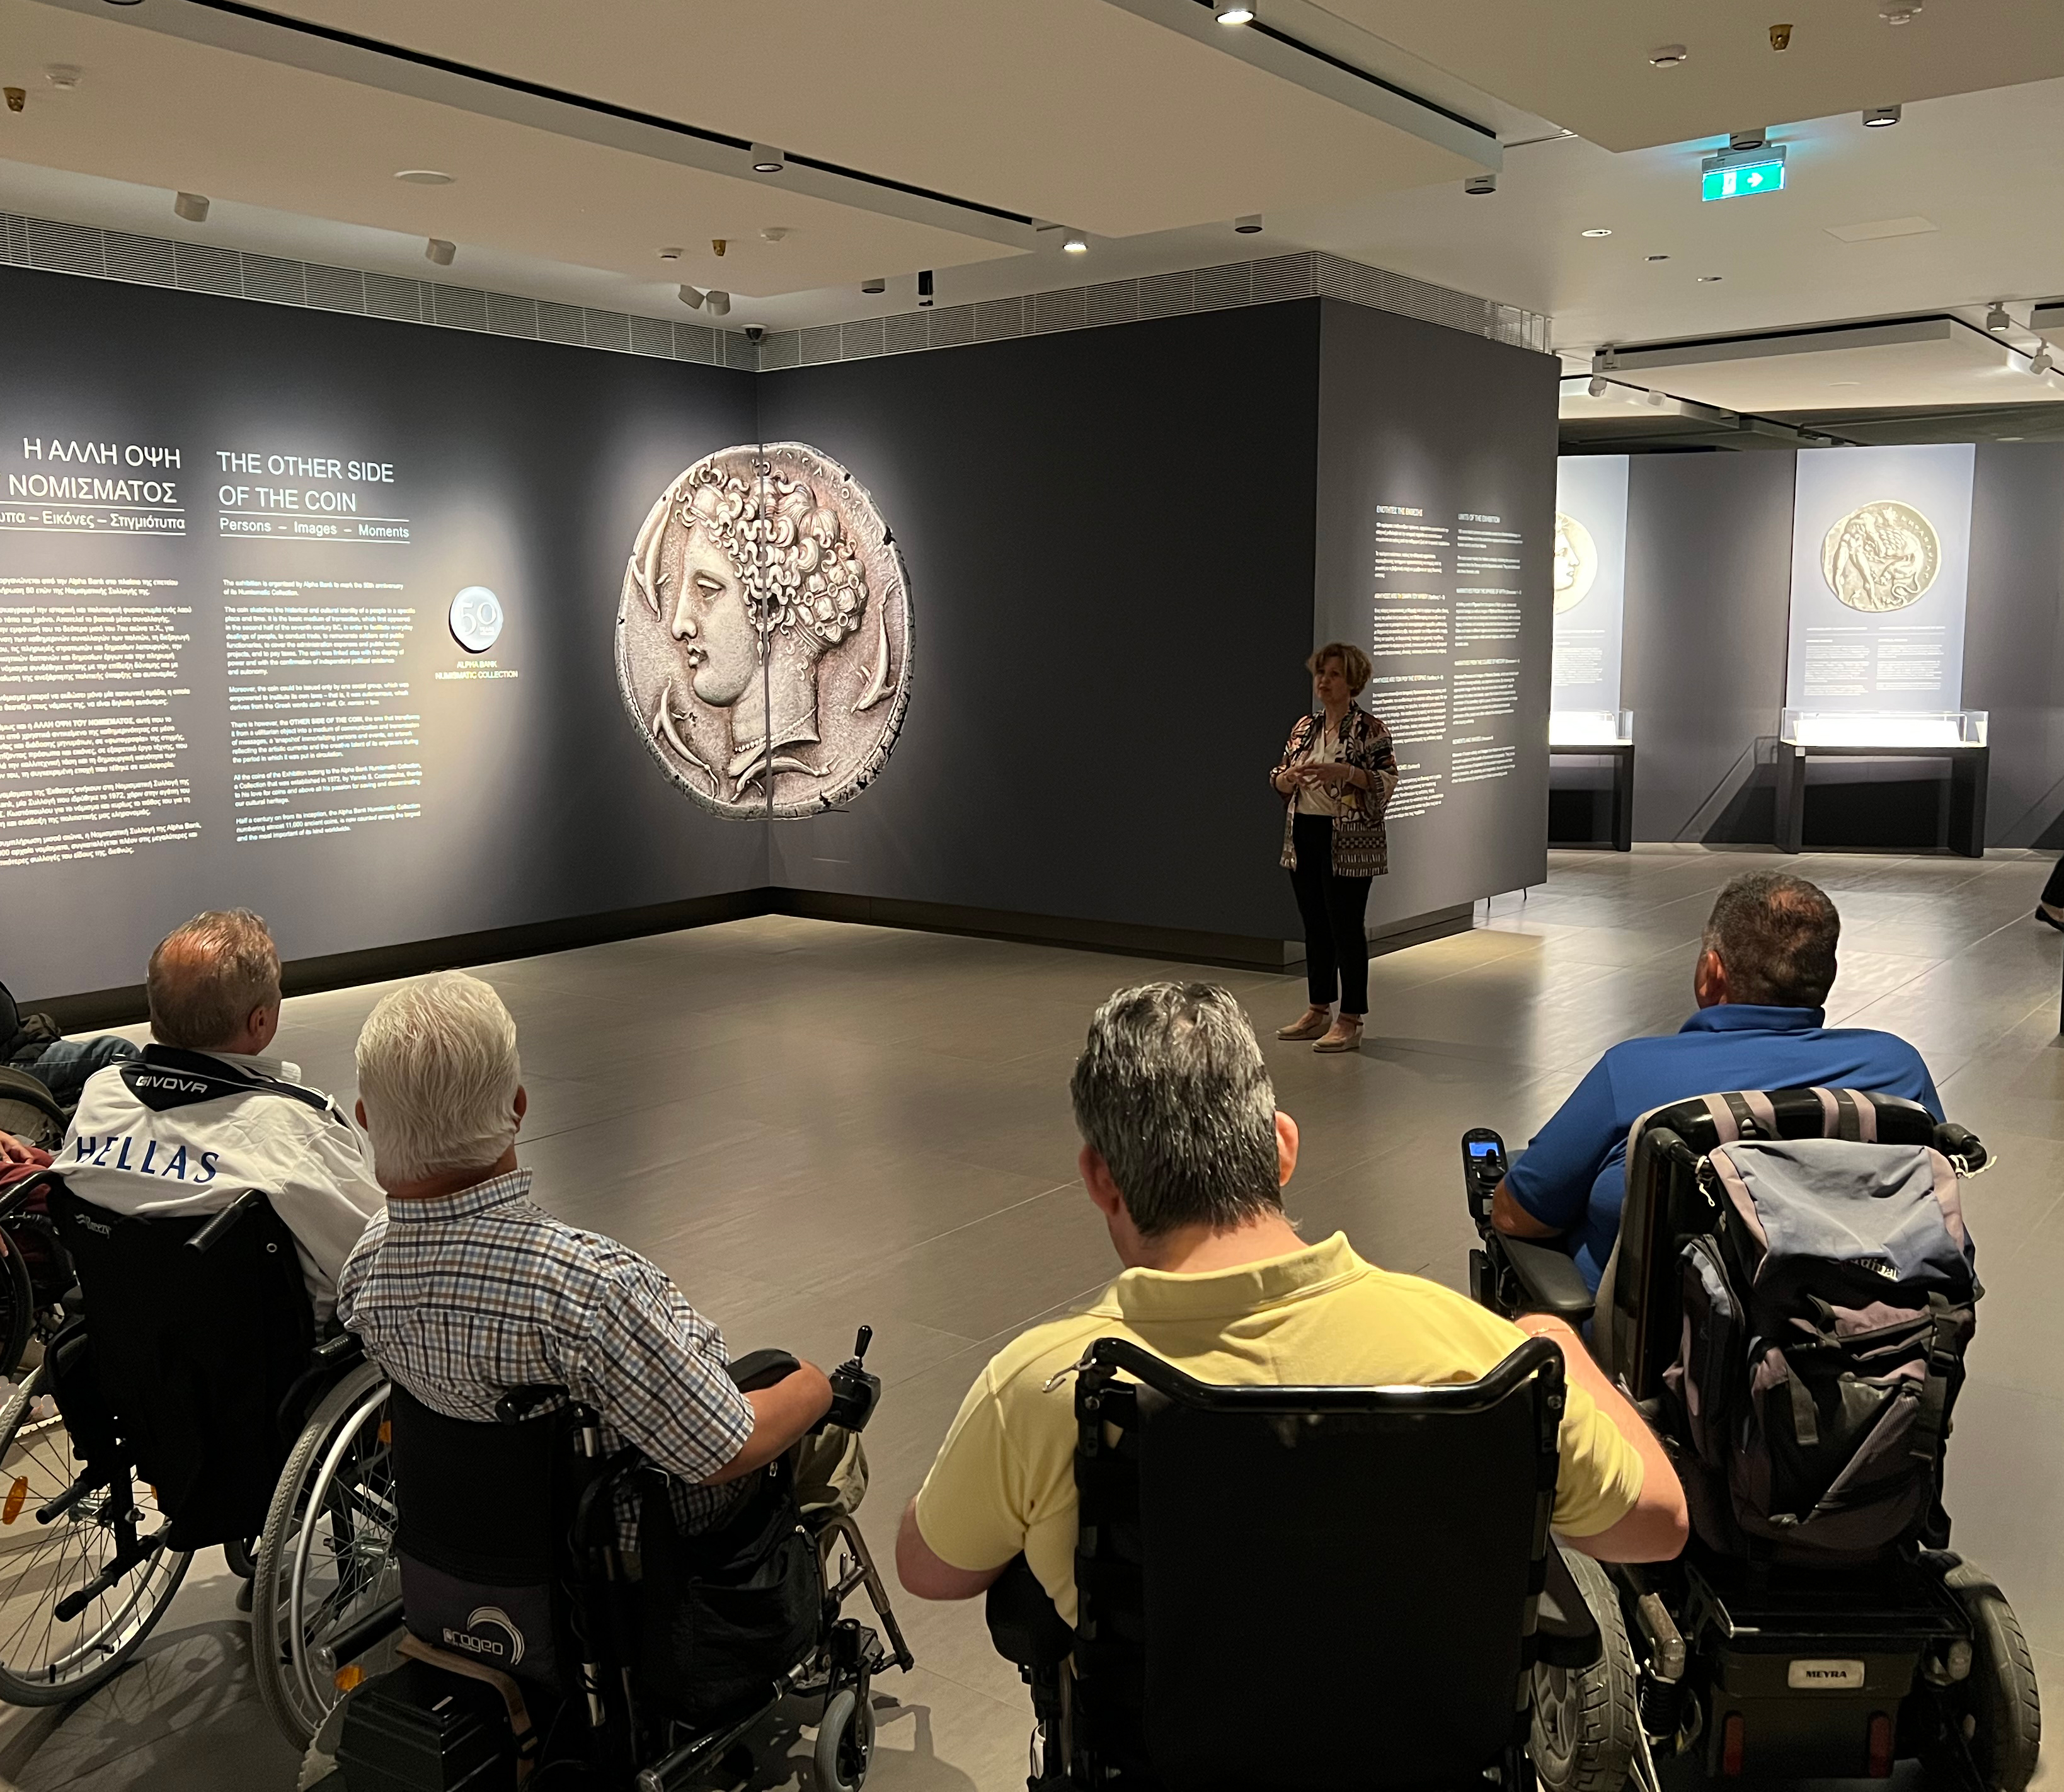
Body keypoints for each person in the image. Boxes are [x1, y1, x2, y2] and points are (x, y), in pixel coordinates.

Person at [896, 981, 1687, 1657]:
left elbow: (931, 1571)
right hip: (1421, 1756)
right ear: (1282, 1146)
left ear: (1100, 1180)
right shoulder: (1477, 1357)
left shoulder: (1041, 1386)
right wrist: (1557, 1343)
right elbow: (1659, 1525)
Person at [340, 971, 865, 1706]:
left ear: (365, 1118)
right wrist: (813, 1386)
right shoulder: (584, 1286)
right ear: (518, 1107)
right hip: (623, 1552)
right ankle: (783, 1604)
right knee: (822, 1432)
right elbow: (721, 1450)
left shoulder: (367, 1266)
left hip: (475, 1551)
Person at [1492, 870, 1943, 1295]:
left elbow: (1518, 1215)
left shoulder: (1634, 1071)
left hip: (1656, 1345)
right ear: (1824, 975)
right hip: (1861, 1332)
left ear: (1712, 972)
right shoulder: (1896, 1068)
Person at [56, 909, 382, 1324]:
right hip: (277, 1357)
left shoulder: (101, 1096)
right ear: (260, 1021)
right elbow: (375, 1262)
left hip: (122, 1346)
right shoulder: (296, 1127)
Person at [1270, 643, 1399, 1054]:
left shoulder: (1370, 729)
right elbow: (1279, 775)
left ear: (1353, 681)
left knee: (1346, 927)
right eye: (1321, 673)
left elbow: (1387, 781)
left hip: (1350, 839)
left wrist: (1344, 772)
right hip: (1304, 832)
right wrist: (1289, 778)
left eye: (1334, 674)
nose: (1324, 682)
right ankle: (1318, 1009)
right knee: (1315, 924)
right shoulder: (1305, 727)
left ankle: (1351, 1017)